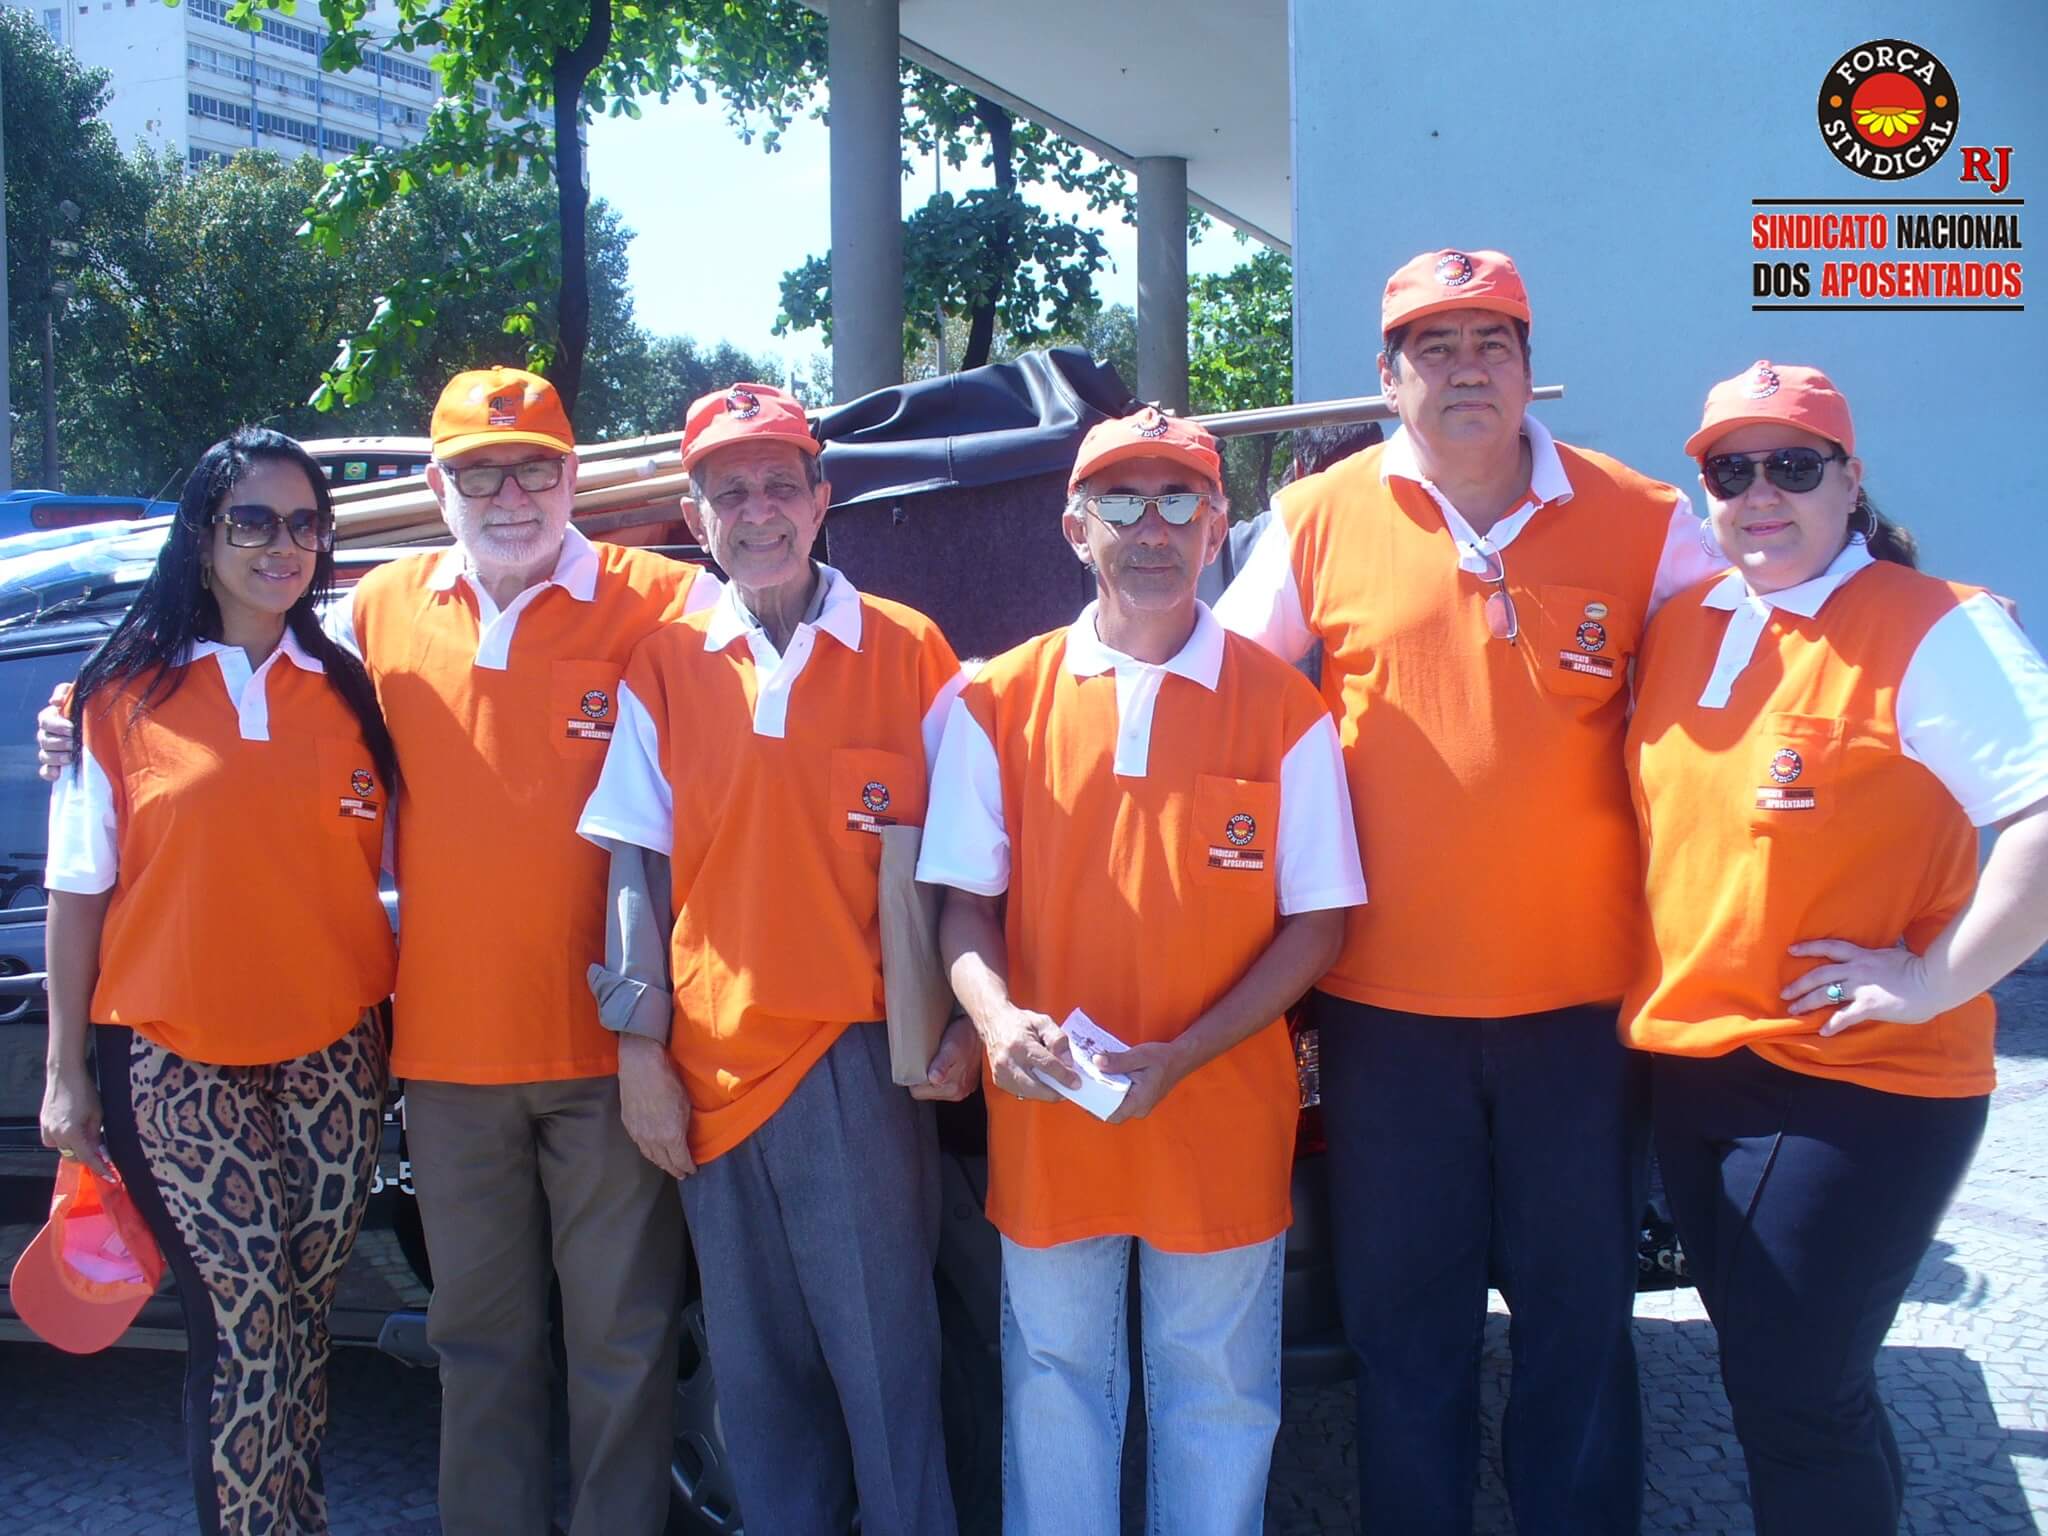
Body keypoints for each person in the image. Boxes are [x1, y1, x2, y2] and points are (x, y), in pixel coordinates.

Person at [39, 367, 719, 1535]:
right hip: (443, 1060)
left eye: (536, 468)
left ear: (573, 475)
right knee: (478, 1346)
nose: (511, 494)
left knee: (623, 1340)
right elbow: (213, 668)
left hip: (613, 1051)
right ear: (435, 486)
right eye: (478, 472)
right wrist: (74, 702)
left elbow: (797, 666)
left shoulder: (665, 602)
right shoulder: (376, 617)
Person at [1213, 247, 1725, 1535]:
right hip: (1385, 1016)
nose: (1463, 370)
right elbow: (1220, 697)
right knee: (1405, 1330)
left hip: (1582, 1014)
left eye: (1488, 343)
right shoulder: (1317, 517)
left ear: (1526, 370)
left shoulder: (1644, 518)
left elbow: (1758, 662)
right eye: (1431, 348)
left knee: (1577, 1324)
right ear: (1386, 379)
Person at [917, 407, 1366, 1534]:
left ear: (1217, 527)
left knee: (1215, 1390)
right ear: (1075, 528)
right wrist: (995, 1016)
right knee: (1053, 1378)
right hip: (1049, 1108)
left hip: (1218, 1109)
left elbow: (1316, 926)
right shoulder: (995, 699)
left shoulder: (1283, 708)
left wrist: (1184, 1054)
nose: (1150, 527)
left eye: (1178, 500)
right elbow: (963, 907)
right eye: (1121, 500)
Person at [1625, 361, 2048, 1535]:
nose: (1761, 493)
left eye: (1792, 466)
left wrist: (1931, 979)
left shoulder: (1934, 626)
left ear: (1849, 480)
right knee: (1782, 1386)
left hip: (1857, 1080)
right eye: (1730, 469)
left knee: (1794, 1393)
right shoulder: (1685, 625)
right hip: (1694, 1068)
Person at [576, 382, 972, 1533]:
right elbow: (631, 869)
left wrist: (959, 1026)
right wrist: (638, 1053)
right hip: (706, 1074)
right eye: (729, 492)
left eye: (778, 486)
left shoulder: (909, 653)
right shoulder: (663, 663)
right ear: (695, 519)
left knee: (886, 1368)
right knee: (758, 1382)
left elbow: (968, 864)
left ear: (821, 499)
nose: (758, 512)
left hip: (857, 1060)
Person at [39, 429, 401, 1535]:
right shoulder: (113, 699)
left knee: (299, 1318)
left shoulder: (359, 696)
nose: (279, 545)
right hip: (172, 1058)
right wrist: (63, 1076)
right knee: (242, 1328)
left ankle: (299, 1517)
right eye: (252, 520)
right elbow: (75, 888)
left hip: (334, 1053)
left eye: (303, 523)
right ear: (202, 537)